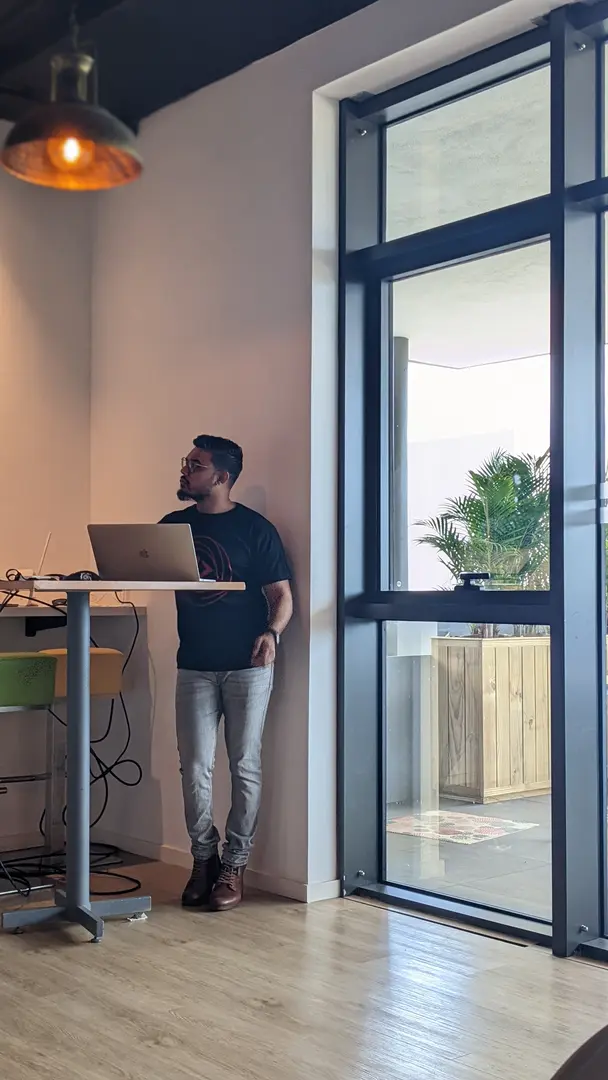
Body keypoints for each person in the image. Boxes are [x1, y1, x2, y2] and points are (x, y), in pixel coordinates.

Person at [161, 435, 293, 912]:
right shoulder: (171, 527)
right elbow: (142, 572)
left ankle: (234, 864)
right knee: (195, 767)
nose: (185, 470)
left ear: (221, 477)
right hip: (194, 664)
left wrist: (272, 634)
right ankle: (203, 859)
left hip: (247, 666)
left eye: (195, 465)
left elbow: (281, 596)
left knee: (244, 765)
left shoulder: (256, 529)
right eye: (186, 462)